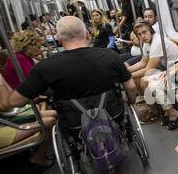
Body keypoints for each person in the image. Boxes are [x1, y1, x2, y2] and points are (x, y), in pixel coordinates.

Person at [9, 16, 137, 115]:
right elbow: (130, 87)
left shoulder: (45, 67)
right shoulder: (111, 56)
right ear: (87, 34)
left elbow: (15, 101)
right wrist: (130, 101)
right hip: (113, 113)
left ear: (59, 39)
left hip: (74, 121)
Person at [0, 65, 57, 174]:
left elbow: (10, 97)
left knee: (52, 114)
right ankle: (38, 158)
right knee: (48, 121)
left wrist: (0, 78)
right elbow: (6, 106)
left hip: (0, 121)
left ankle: (38, 151)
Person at [127, 21, 178, 124]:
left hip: (175, 71)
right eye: (139, 34)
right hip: (165, 69)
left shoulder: (157, 43)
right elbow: (143, 62)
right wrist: (127, 71)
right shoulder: (147, 43)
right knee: (136, 78)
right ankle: (152, 107)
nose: (143, 36)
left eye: (144, 32)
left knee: (143, 80)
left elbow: (148, 70)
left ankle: (155, 112)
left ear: (150, 31)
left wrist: (126, 76)